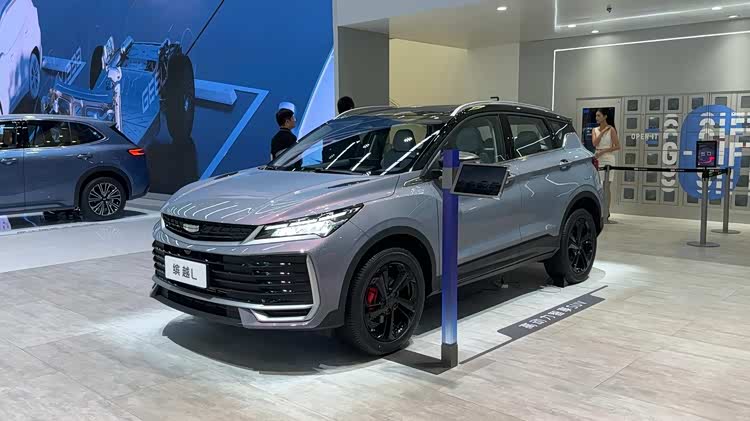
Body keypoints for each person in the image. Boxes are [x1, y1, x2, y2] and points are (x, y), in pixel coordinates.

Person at [592, 108, 620, 217]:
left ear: (605, 116)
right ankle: (599, 210)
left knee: (606, 186)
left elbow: (617, 146)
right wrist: (603, 131)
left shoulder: (611, 129)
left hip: (608, 158)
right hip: (597, 157)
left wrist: (603, 151)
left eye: (599, 115)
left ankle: (606, 211)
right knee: (597, 185)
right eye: (596, 115)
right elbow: (595, 143)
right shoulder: (595, 130)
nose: (596, 118)